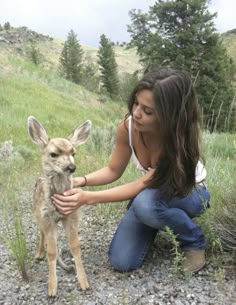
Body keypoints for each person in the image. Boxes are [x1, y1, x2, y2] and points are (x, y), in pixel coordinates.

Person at [52, 67, 210, 273]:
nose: (136, 113)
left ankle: (193, 241)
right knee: (121, 261)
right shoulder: (128, 127)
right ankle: (158, 218)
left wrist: (87, 198)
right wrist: (81, 180)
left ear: (169, 115)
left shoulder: (175, 142)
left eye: (148, 111)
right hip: (154, 195)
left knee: (144, 203)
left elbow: (141, 184)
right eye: (136, 103)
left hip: (191, 193)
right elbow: (113, 169)